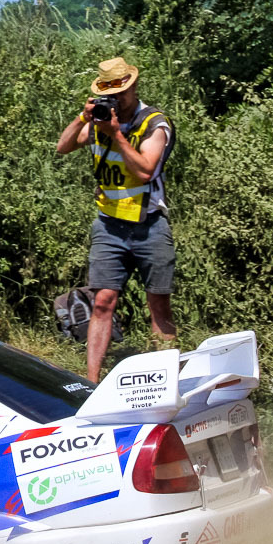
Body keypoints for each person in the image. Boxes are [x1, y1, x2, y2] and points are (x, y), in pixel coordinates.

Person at [55, 56, 177, 382]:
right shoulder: (97, 120)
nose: (115, 100)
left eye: (120, 93)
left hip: (150, 224)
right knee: (103, 302)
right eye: (109, 94)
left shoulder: (154, 123)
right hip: (108, 224)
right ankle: (91, 382)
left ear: (134, 87)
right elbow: (63, 147)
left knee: (158, 305)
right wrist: (83, 117)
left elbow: (145, 170)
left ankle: (165, 380)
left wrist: (117, 135)